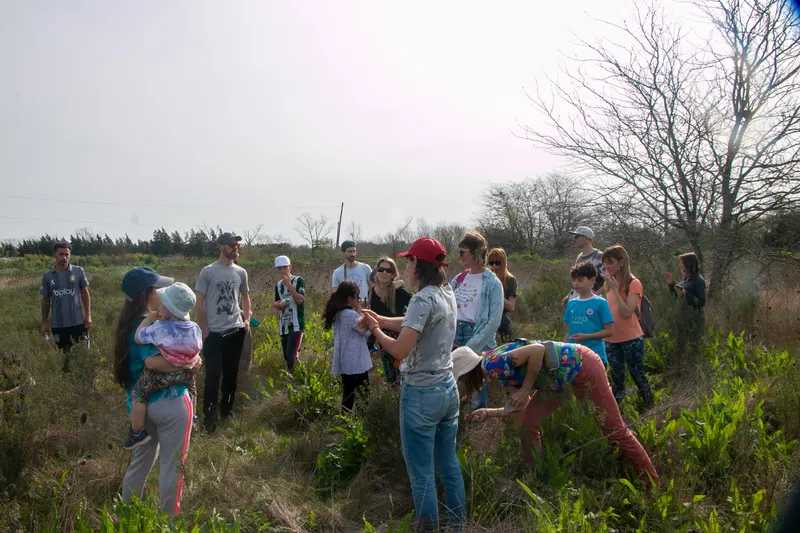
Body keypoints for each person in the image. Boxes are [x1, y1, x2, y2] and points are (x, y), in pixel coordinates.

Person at [360, 238, 466, 532]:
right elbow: (413, 322)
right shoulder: (447, 294)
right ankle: (457, 526)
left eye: (408, 262)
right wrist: (380, 317)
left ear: (417, 264)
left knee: (421, 473)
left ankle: (428, 528)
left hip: (420, 394)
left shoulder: (422, 298)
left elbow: (399, 350)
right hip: (447, 388)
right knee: (449, 465)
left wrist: (375, 329)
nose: (405, 267)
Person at [452, 340, 660, 489]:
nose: (463, 384)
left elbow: (537, 349)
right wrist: (488, 413)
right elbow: (517, 408)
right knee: (528, 424)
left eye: (461, 379)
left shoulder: (493, 363)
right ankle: (534, 476)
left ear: (469, 373)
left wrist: (526, 388)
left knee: (614, 431)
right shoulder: (495, 367)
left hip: (582, 365)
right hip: (557, 382)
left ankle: (653, 485)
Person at [115, 267, 197, 517]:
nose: (162, 294)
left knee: (140, 464)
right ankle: (169, 523)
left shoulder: (130, 324)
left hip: (140, 407)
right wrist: (190, 362)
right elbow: (154, 362)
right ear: (147, 294)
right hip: (171, 403)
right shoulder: (153, 325)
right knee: (173, 468)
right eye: (158, 289)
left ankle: (126, 517)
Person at [125, 282, 203, 450]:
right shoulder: (194, 328)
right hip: (186, 374)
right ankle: (194, 415)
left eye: (162, 303)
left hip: (160, 375)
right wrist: (189, 361)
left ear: (167, 309)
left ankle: (137, 431)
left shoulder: (160, 328)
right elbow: (198, 346)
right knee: (193, 389)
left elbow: (139, 337)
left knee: (139, 394)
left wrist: (148, 319)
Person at [194, 232, 251, 434]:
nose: (235, 247)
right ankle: (209, 418)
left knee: (231, 376)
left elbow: (245, 297)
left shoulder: (241, 272)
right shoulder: (208, 272)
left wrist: (246, 320)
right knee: (212, 377)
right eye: (231, 244)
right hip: (214, 335)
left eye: (237, 244)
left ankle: (227, 413)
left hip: (234, 332)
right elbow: (198, 303)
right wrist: (205, 331)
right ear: (220, 246)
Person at [450, 232, 504, 411]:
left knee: (476, 384)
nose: (460, 256)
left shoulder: (492, 283)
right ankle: (457, 420)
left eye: (462, 251)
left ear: (475, 253)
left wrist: (472, 346)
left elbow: (494, 321)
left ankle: (477, 423)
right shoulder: (459, 279)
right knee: (454, 380)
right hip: (456, 333)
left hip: (477, 335)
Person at [602, 245, 654, 408]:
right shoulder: (608, 284)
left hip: (631, 339)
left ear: (622, 262)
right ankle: (619, 412)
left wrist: (617, 290)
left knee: (637, 375)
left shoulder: (634, 283)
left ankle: (649, 406)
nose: (607, 267)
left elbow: (626, 312)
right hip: (611, 339)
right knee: (616, 378)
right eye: (605, 264)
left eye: (610, 262)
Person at [39, 242, 91, 371]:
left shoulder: (78, 271)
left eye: (67, 254)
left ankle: (83, 379)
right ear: (54, 255)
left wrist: (88, 315)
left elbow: (85, 293)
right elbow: (46, 300)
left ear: (70, 255)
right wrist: (45, 322)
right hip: (58, 325)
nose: (64, 257)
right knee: (64, 356)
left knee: (81, 353)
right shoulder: (47, 276)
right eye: (61, 254)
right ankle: (67, 380)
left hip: (78, 322)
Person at [325, 280, 372, 411]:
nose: (359, 300)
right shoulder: (351, 315)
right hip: (356, 362)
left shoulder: (338, 314)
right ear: (350, 298)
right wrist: (362, 313)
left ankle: (344, 420)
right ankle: (361, 419)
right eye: (358, 297)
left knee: (348, 392)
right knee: (363, 393)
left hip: (345, 361)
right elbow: (366, 332)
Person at [368, 257, 412, 387]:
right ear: (376, 272)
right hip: (382, 337)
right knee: (389, 374)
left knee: (402, 373)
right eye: (381, 270)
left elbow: (415, 308)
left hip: (399, 338)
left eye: (388, 270)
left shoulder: (400, 292)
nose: (384, 273)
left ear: (394, 274)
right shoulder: (372, 293)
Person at [563, 262, 614, 365]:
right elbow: (570, 331)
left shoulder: (601, 303)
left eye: (580, 280)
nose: (576, 283)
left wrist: (586, 336)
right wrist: (563, 349)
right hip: (574, 356)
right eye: (574, 280)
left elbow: (609, 331)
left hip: (595, 356)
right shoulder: (571, 303)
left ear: (592, 281)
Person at [665, 252, 707, 359]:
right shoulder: (684, 279)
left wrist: (686, 294)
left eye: (682, 263)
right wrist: (671, 284)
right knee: (680, 345)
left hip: (694, 320)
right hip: (682, 319)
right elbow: (677, 297)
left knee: (693, 346)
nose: (680, 265)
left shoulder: (698, 280)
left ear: (689, 265)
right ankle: (680, 368)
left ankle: (693, 369)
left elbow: (702, 302)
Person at [272, 255, 305, 373]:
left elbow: (300, 300)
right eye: (279, 268)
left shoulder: (298, 280)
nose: (282, 270)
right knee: (286, 355)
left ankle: (293, 378)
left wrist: (289, 285)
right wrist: (278, 305)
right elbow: (276, 301)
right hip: (284, 324)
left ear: (290, 267)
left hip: (296, 324)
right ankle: (298, 373)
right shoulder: (278, 285)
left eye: (284, 267)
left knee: (291, 354)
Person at [562, 226, 604, 308]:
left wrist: (594, 295)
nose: (574, 239)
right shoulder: (579, 257)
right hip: (576, 300)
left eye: (577, 236)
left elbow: (608, 281)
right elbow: (576, 279)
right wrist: (569, 296)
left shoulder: (600, 256)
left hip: (591, 303)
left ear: (586, 238)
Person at [487, 248, 517, 343]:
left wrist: (497, 293)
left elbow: (511, 307)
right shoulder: (486, 277)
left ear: (503, 263)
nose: (494, 266)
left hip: (500, 317)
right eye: (491, 263)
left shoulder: (510, 280)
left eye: (497, 263)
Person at [331, 240, 372, 306]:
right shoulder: (337, 273)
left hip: (365, 308)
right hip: (348, 310)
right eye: (350, 252)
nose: (352, 254)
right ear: (343, 253)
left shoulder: (366, 268)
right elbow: (335, 295)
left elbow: (373, 288)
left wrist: (369, 302)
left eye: (354, 251)